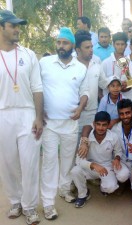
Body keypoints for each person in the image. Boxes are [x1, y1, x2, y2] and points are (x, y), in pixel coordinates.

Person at [39, 27, 88, 220]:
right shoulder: (44, 63)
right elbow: (35, 87)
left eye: (65, 42)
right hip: (49, 123)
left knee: (67, 160)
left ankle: (64, 189)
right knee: (50, 162)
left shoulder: (80, 68)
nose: (60, 46)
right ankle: (48, 203)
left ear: (72, 46)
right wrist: (39, 109)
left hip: (70, 123)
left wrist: (80, 107)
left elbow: (85, 92)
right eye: (58, 42)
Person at [0, 9, 43, 225]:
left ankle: (29, 206)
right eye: (12, 25)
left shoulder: (28, 54)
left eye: (18, 26)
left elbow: (37, 87)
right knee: (7, 163)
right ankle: (15, 201)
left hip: (27, 113)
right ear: (1, 27)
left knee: (30, 163)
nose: (17, 29)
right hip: (3, 114)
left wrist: (38, 117)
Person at [71, 111, 130, 207]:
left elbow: (118, 151)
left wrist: (117, 158)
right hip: (90, 167)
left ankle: (103, 187)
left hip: (106, 167)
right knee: (75, 171)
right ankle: (83, 194)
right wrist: (93, 165)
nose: (100, 128)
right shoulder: (86, 139)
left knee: (110, 188)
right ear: (94, 124)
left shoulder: (113, 136)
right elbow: (79, 161)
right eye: (98, 124)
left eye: (104, 125)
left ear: (108, 125)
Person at [74, 30, 108, 137]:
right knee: (72, 148)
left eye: (91, 47)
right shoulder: (71, 65)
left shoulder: (97, 63)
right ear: (78, 50)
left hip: (92, 112)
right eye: (87, 48)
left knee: (88, 146)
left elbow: (104, 84)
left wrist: (120, 83)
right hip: (74, 113)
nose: (91, 50)